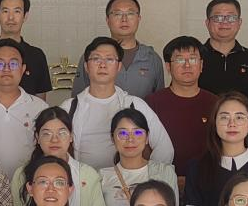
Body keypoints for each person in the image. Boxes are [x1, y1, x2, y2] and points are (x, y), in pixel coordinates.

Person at [61, 36, 175, 170]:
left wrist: (145, 176)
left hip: (124, 181)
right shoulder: (69, 108)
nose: (102, 65)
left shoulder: (135, 105)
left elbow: (165, 148)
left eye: (110, 59)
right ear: (86, 66)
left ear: (119, 66)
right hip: (82, 181)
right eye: (96, 59)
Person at [10, 107, 108, 206]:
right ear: (37, 138)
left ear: (71, 136)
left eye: (62, 133)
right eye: (47, 134)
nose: (54, 140)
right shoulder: (22, 175)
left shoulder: (88, 175)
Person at [144, 35, 218, 191]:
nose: (187, 65)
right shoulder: (151, 103)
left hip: (207, 184)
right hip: (161, 184)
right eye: (179, 60)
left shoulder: (215, 103)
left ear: (201, 65)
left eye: (193, 59)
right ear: (168, 67)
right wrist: (167, 177)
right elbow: (143, 146)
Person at [0, 39, 49, 179]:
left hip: (27, 184)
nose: (6, 69)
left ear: (23, 69)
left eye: (13, 63)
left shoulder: (40, 108)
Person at [99, 108, 178, 206]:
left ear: (147, 138)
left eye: (138, 133)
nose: (130, 139)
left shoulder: (164, 172)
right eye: (123, 133)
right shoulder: (101, 177)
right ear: (112, 138)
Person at [72, 0, 165, 99]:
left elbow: (159, 101)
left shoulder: (152, 58)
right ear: (107, 20)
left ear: (139, 18)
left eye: (130, 13)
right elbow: (77, 99)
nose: (124, 19)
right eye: (117, 14)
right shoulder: (92, 56)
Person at [197, 0, 248, 98]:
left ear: (239, 23)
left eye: (231, 18)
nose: (224, 22)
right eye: (217, 18)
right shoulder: (194, 58)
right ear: (207, 23)